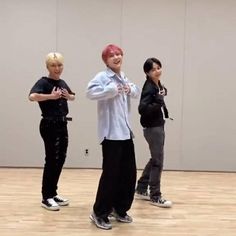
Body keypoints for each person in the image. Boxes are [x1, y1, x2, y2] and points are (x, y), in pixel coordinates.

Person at [86, 44, 140, 230]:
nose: (116, 57)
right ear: (106, 60)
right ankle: (99, 212)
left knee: (129, 174)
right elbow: (89, 93)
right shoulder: (102, 77)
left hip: (126, 132)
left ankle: (119, 208)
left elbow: (136, 91)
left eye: (119, 54)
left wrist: (130, 88)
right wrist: (109, 91)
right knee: (110, 175)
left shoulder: (123, 76)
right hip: (111, 134)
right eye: (112, 55)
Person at [28, 52, 75, 211]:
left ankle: (53, 193)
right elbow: (32, 96)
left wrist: (68, 96)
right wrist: (51, 97)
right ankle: (46, 197)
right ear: (47, 67)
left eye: (59, 65)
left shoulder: (62, 82)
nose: (57, 68)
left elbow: (72, 96)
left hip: (62, 124)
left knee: (60, 159)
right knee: (52, 160)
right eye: (53, 65)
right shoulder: (43, 82)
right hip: (49, 125)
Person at [135, 57, 172, 208]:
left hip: (157, 125)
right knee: (158, 161)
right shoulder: (149, 87)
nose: (157, 71)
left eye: (158, 68)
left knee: (155, 158)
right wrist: (158, 100)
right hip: (152, 128)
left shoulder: (156, 84)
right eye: (153, 69)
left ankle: (142, 188)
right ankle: (155, 195)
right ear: (147, 72)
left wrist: (162, 94)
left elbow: (159, 96)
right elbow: (142, 110)